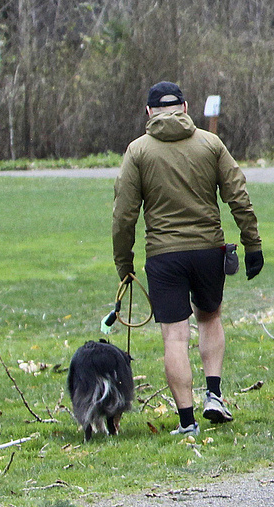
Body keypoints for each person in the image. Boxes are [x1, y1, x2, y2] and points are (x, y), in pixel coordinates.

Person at [112, 81, 263, 438]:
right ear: (185, 106)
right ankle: (214, 394)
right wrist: (252, 243)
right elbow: (238, 195)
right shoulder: (210, 144)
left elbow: (123, 216)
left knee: (175, 337)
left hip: (164, 256)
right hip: (209, 249)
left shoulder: (138, 152)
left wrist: (124, 264)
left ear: (149, 111)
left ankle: (186, 421)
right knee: (210, 318)